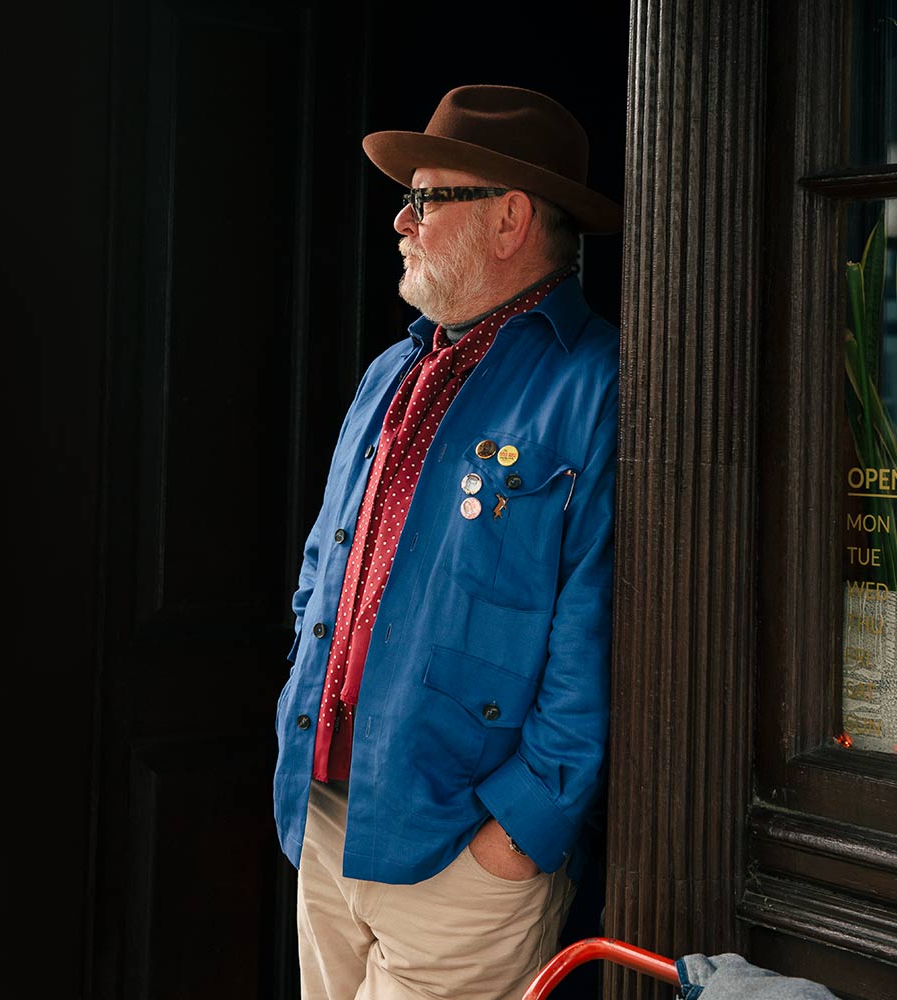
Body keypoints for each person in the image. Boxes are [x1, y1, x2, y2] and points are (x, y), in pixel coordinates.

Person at [273, 84, 621, 1000]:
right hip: (328, 820)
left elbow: (603, 635)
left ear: (509, 219)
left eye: (427, 199)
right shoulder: (393, 369)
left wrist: (515, 840)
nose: (400, 220)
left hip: (465, 860)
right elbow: (325, 564)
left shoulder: (598, 386)